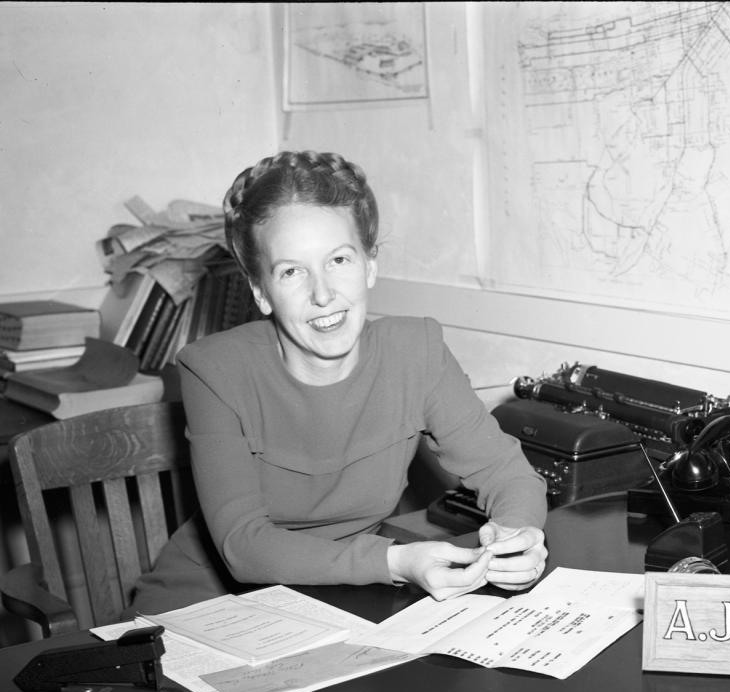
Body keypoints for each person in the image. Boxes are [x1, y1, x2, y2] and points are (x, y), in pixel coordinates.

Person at [128, 151, 548, 615]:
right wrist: (396, 561)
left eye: (339, 260)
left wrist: (518, 535)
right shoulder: (214, 371)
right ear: (260, 292)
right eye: (292, 271)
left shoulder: (418, 351)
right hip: (207, 607)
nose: (323, 294)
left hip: (336, 602)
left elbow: (505, 472)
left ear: (370, 265)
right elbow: (244, 546)